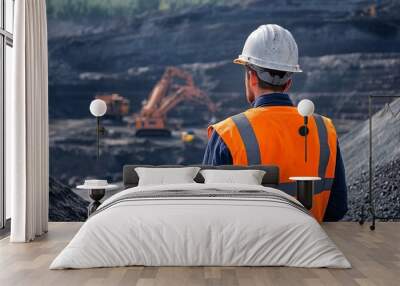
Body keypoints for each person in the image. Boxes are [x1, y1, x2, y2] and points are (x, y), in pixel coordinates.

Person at [202, 24, 347, 222]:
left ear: (251, 76)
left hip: (251, 251)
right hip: (311, 247)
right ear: (289, 82)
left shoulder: (227, 134)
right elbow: (336, 208)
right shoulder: (324, 130)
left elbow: (211, 214)